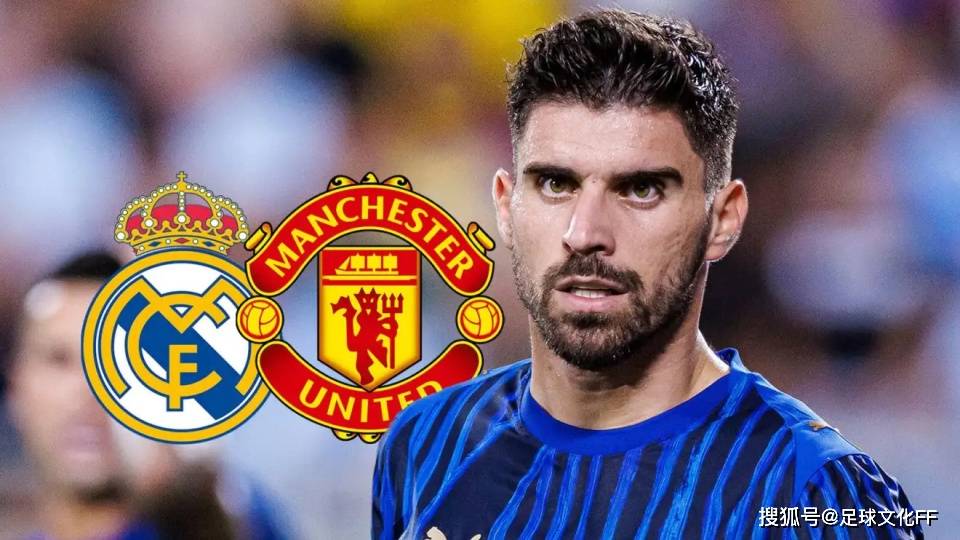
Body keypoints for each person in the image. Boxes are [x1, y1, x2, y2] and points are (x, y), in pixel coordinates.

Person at [371, 9, 922, 539]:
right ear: (506, 208)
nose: (585, 232)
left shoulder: (815, 493)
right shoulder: (426, 443)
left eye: (640, 189)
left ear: (723, 220)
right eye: (556, 184)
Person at [5, 251, 287, 540]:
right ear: (15, 388)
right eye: (59, 360)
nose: (87, 391)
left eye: (116, 363)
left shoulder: (234, 515)